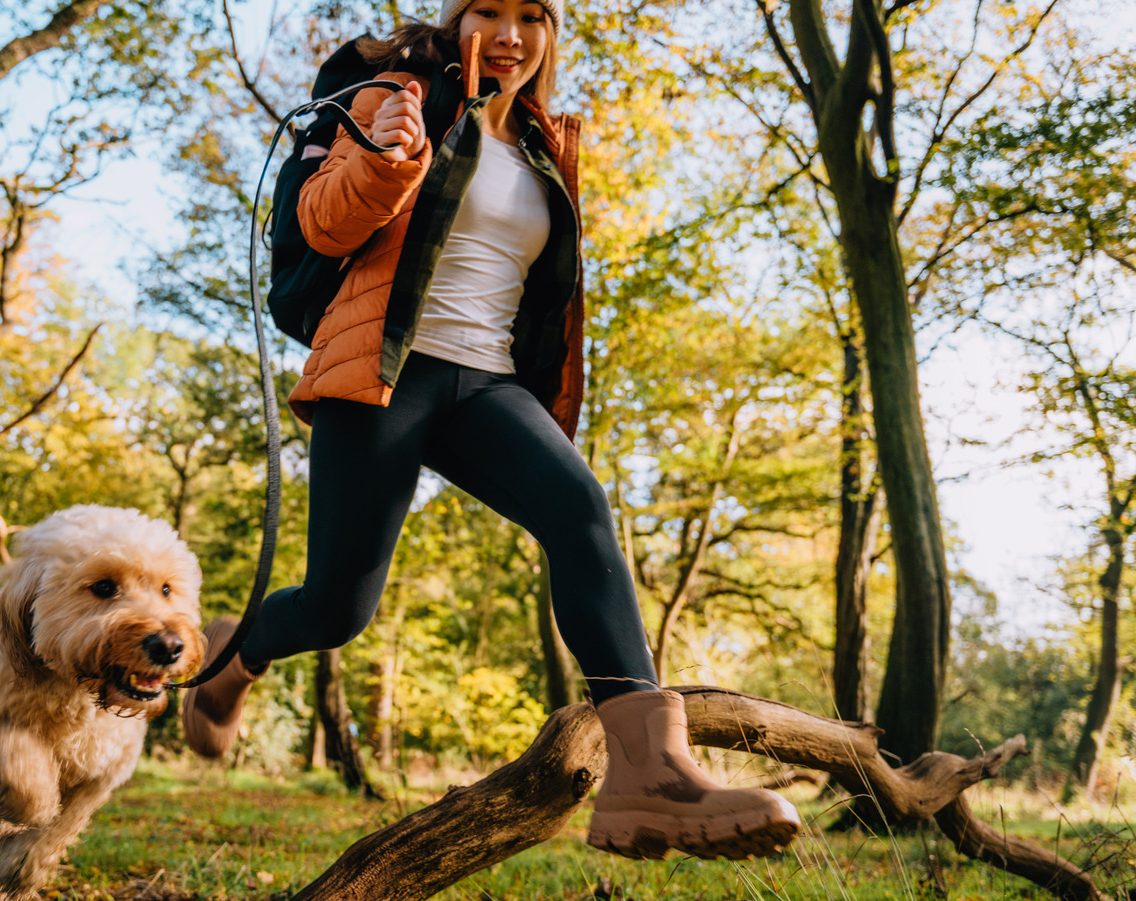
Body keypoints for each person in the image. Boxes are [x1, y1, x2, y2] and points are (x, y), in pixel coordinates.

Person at [184, 0, 800, 861]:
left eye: (532, 14)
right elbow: (320, 223)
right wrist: (387, 156)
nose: (510, 32)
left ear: (550, 34)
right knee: (338, 606)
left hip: (489, 385)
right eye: (488, 10)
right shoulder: (391, 92)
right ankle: (235, 653)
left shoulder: (547, 142)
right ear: (456, 17)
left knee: (581, 508)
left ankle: (649, 776)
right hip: (388, 367)